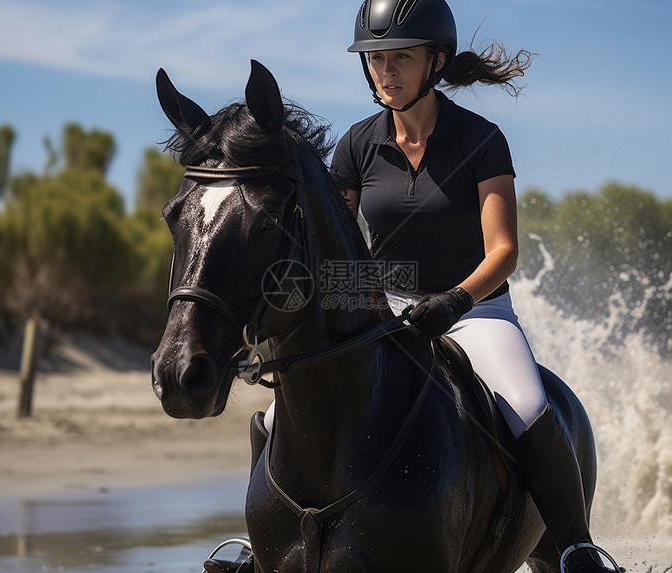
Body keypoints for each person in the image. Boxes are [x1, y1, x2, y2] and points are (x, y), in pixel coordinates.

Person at [207, 1, 618, 572]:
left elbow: (504, 251)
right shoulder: (355, 145)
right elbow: (340, 243)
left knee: (526, 403)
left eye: (400, 57)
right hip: (384, 299)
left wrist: (455, 300)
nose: (385, 71)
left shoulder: (481, 139)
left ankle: (577, 548)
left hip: (474, 306)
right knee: (277, 416)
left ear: (436, 61)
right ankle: (265, 546)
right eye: (376, 59)